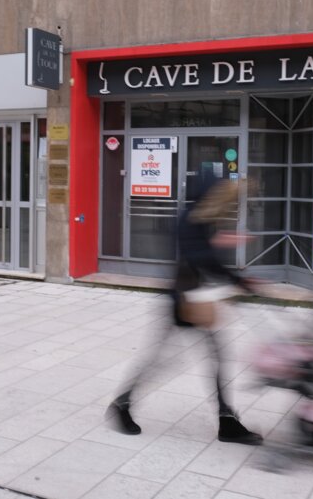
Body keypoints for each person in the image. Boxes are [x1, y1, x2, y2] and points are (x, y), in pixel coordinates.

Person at [107, 175, 264, 445]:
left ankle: (227, 421)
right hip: (183, 301)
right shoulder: (190, 219)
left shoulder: (201, 219)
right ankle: (121, 405)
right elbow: (200, 257)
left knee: (213, 358)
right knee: (163, 360)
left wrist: (226, 255)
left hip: (195, 297)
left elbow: (204, 256)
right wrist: (237, 279)